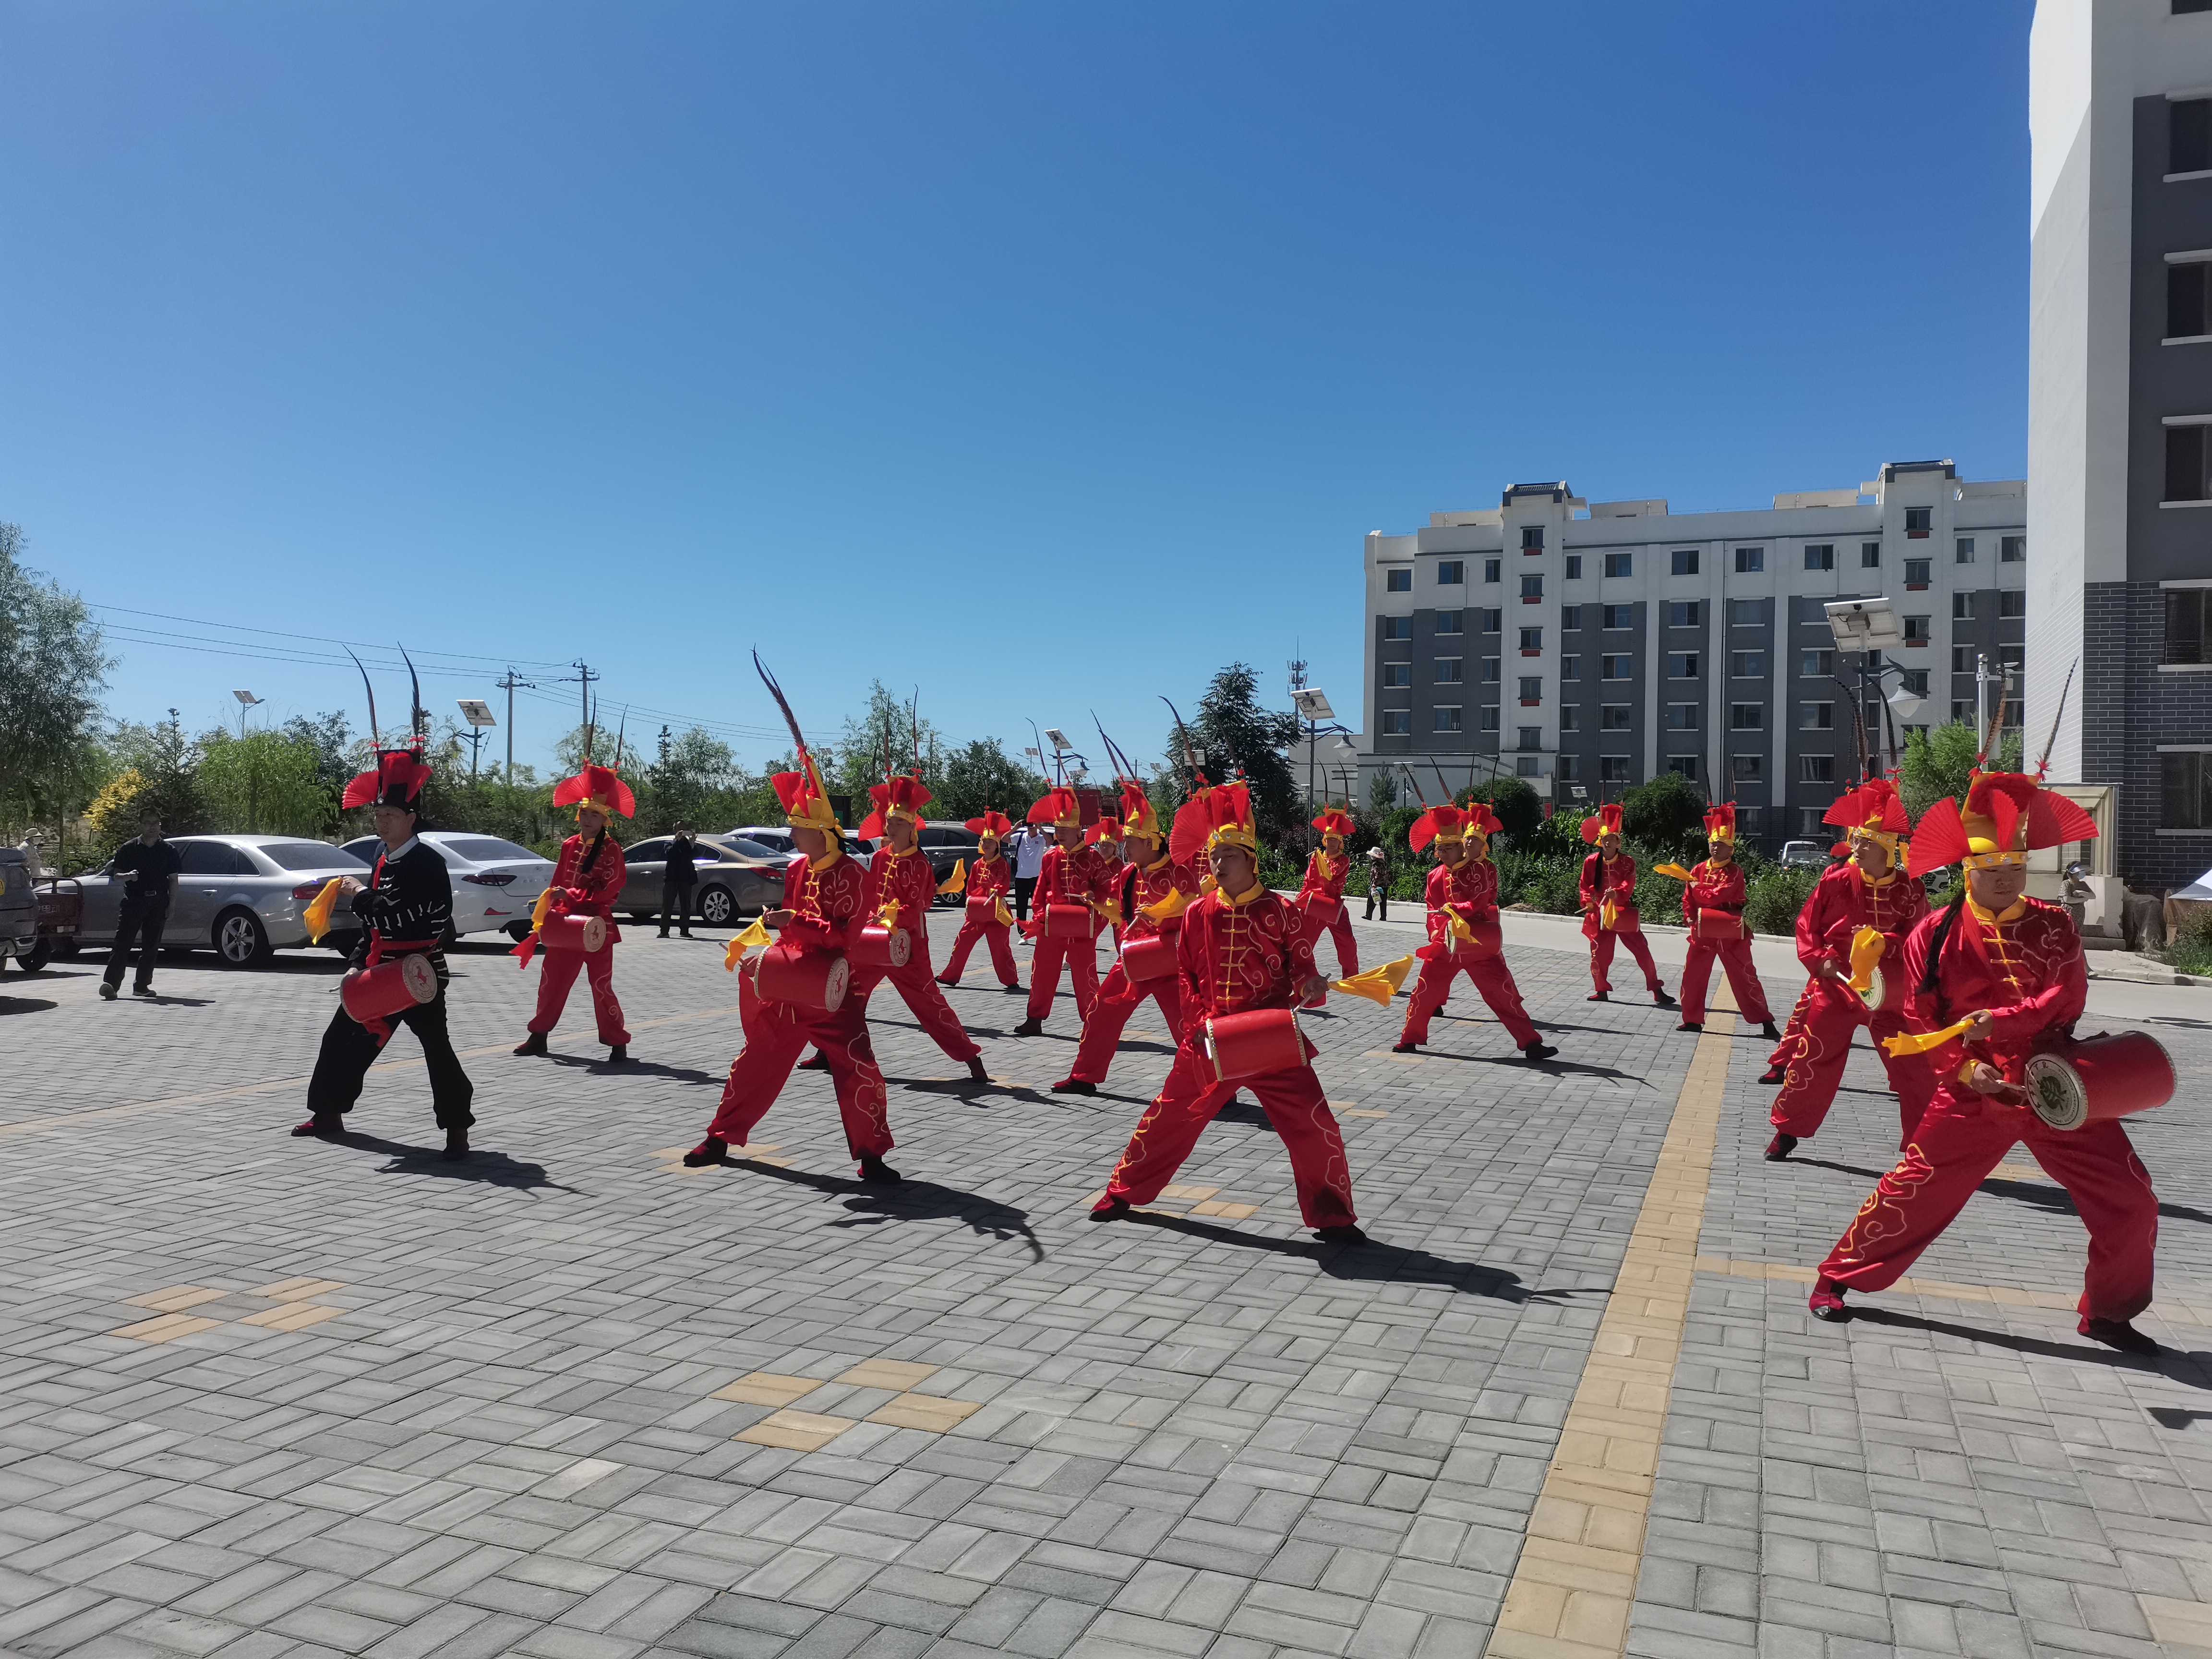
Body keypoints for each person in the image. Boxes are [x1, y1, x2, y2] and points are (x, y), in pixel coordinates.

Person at [1808, 769, 2161, 1355]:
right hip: (1972, 1088)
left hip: (2055, 1083)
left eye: (2014, 868)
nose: (2005, 879)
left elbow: (2066, 997)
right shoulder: (1935, 935)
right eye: (1992, 869)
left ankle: (2109, 1312)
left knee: (2132, 1197)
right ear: (1967, 871)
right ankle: (1837, 1277)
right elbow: (1920, 1014)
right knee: (1915, 1187)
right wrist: (1966, 1068)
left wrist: (2004, 1021)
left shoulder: (2053, 924)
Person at [1089, 781, 1365, 1243]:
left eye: (1229, 856)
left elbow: (1301, 966)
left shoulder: (1282, 910)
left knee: (1317, 1127)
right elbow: (1186, 974)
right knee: (1169, 1118)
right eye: (1214, 857)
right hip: (1211, 1037)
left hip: (1271, 1041)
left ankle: (1334, 1216)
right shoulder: (1198, 912)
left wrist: (1309, 985)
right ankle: (1123, 1191)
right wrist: (1196, 1023)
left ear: (1251, 859)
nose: (1218, 864)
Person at [685, 753, 898, 1183]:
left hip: (833, 990)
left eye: (798, 828)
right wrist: (768, 954)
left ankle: (872, 1156)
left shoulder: (853, 875)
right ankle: (720, 1137)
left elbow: (844, 937)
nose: (793, 835)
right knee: (755, 1060)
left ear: (821, 833)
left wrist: (794, 922)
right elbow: (790, 927)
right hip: (789, 984)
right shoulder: (798, 868)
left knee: (859, 1067)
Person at [296, 746, 474, 1157]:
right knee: (339, 1038)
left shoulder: (427, 863)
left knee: (438, 1050)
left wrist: (359, 894)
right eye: (378, 815)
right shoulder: (382, 855)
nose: (381, 822)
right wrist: (357, 962)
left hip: (418, 973)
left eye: (390, 815)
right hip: (379, 968)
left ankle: (457, 1129)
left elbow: (394, 914)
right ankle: (327, 1112)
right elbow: (374, 927)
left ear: (411, 819)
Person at [1766, 780, 1935, 1161]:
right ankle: (1787, 1130)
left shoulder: (1911, 888)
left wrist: (1885, 942)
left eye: (1865, 843)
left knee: (1915, 1068)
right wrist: (1818, 959)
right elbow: (1807, 925)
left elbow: (1919, 938)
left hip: (1890, 992)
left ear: (1887, 849)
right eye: (1855, 840)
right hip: (1838, 982)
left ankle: (1923, 1146)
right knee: (1814, 1059)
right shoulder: (1836, 879)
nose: (1856, 848)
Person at [1055, 781, 1196, 1094]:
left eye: (1130, 842)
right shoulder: (1128, 873)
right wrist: (1097, 903)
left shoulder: (1178, 871)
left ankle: (1215, 1086)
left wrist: (1158, 911)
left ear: (1149, 842)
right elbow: (1120, 911)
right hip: (1133, 960)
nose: (1126, 848)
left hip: (1171, 963)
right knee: (1102, 1011)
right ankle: (1084, 1076)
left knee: (1188, 1026)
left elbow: (1192, 905)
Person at [850, 773, 989, 1080]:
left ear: (912, 827)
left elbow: (916, 908)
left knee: (929, 1004)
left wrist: (889, 915)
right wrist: (870, 916)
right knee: (847, 995)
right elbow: (871, 896)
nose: (891, 827)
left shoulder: (919, 863)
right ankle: (831, 1051)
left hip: (907, 946)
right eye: (889, 821)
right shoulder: (880, 857)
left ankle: (970, 1057)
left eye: (898, 823)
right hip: (874, 941)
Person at [1393, 801, 1556, 1061]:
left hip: (1478, 945)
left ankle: (1531, 1043)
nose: (1443, 853)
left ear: (1461, 848)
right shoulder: (1435, 876)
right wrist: (1437, 932)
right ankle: (1409, 1039)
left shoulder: (1477, 870)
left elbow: (1479, 903)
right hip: (1446, 946)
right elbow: (1431, 910)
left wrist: (1455, 909)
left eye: (1448, 848)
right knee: (1423, 994)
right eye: (1440, 849)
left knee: (1503, 995)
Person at [514, 763, 634, 1064]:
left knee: (601, 985)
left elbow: (611, 888)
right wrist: (551, 911)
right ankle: (539, 1035)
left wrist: (572, 895)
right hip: (567, 925)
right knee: (552, 980)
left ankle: (616, 1041)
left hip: (597, 927)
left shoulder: (611, 850)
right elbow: (558, 881)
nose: (588, 819)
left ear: (604, 820)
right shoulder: (569, 844)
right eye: (584, 813)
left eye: (595, 815)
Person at [1012, 787, 1118, 1037]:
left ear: (1078, 831)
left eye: (1064, 830)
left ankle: (1093, 1021)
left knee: (1085, 975)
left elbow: (1108, 888)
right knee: (1042, 972)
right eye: (1057, 829)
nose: (1059, 834)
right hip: (1052, 924)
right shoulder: (1050, 856)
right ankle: (1034, 1018)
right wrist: (1040, 918)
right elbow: (1040, 891)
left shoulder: (1092, 857)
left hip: (1081, 926)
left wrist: (1093, 899)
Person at [1670, 804, 1779, 1038]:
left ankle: (1765, 1020)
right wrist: (1688, 915)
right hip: (1703, 929)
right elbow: (1688, 898)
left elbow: (1716, 896)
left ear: (1731, 849)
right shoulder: (1699, 868)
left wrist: (1696, 887)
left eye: (1721, 844)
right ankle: (1692, 1020)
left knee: (1745, 976)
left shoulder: (1735, 872)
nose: (1715, 847)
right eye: (1713, 843)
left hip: (1730, 930)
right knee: (1693, 975)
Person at [1577, 803, 1673, 1006]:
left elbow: (1628, 884)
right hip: (1601, 914)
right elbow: (1584, 885)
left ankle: (1656, 989)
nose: (1608, 842)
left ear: (1618, 842)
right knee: (1599, 953)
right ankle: (1601, 989)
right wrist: (1588, 901)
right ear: (1600, 841)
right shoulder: (1591, 861)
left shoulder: (1627, 862)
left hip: (1622, 911)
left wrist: (1618, 893)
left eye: (1612, 839)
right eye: (1605, 839)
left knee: (1642, 950)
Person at [937, 811, 1023, 992]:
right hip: (977, 911)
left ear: (997, 845)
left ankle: (1010, 980)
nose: (986, 844)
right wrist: (970, 903)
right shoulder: (977, 864)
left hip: (996, 911)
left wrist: (996, 889)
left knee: (1000, 949)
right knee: (962, 943)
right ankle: (950, 976)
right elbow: (970, 887)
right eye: (984, 841)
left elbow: (1003, 883)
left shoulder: (1002, 864)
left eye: (990, 841)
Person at [101, 810, 180, 1000]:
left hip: (158, 901)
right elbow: (115, 875)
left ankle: (142, 986)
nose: (153, 827)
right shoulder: (129, 848)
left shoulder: (168, 850)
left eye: (156, 823)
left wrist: (172, 905)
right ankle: (111, 984)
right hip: (134, 901)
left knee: (151, 946)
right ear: (140, 825)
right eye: (148, 823)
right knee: (123, 943)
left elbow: (173, 880)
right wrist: (128, 876)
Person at [1296, 808, 1359, 980]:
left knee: (1348, 944)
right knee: (1302, 943)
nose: (1332, 843)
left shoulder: (1343, 860)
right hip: (1315, 905)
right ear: (1325, 841)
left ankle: (1352, 979)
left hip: (1333, 907)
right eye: (1329, 839)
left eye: (1335, 840)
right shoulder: (1316, 858)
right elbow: (1308, 881)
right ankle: (1299, 977)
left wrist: (1320, 861)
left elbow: (1332, 881)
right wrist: (1301, 899)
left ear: (1340, 844)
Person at [660, 821, 698, 938]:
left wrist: (692, 844)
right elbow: (670, 854)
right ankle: (664, 931)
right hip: (671, 878)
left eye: (683, 828)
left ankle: (684, 930)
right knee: (668, 905)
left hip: (686, 878)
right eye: (679, 828)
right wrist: (677, 841)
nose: (681, 830)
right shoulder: (669, 842)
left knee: (686, 906)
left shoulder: (687, 843)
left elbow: (694, 856)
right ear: (675, 830)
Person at [1011, 819, 1048, 922]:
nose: (1031, 827)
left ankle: (1039, 927)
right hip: (1021, 877)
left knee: (1038, 906)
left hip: (1036, 878)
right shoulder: (1020, 837)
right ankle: (1021, 930)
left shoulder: (1041, 838)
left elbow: (1050, 841)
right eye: (1029, 824)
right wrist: (1015, 828)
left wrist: (1040, 828)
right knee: (1021, 907)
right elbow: (1004, 839)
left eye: (1033, 824)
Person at [1363, 842, 1391, 921]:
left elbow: (1377, 875)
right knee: (1383, 902)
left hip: (1378, 885)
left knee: (1371, 901)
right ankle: (1383, 917)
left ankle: (1368, 915)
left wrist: (1374, 885)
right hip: (1385, 885)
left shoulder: (1376, 864)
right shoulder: (1384, 863)